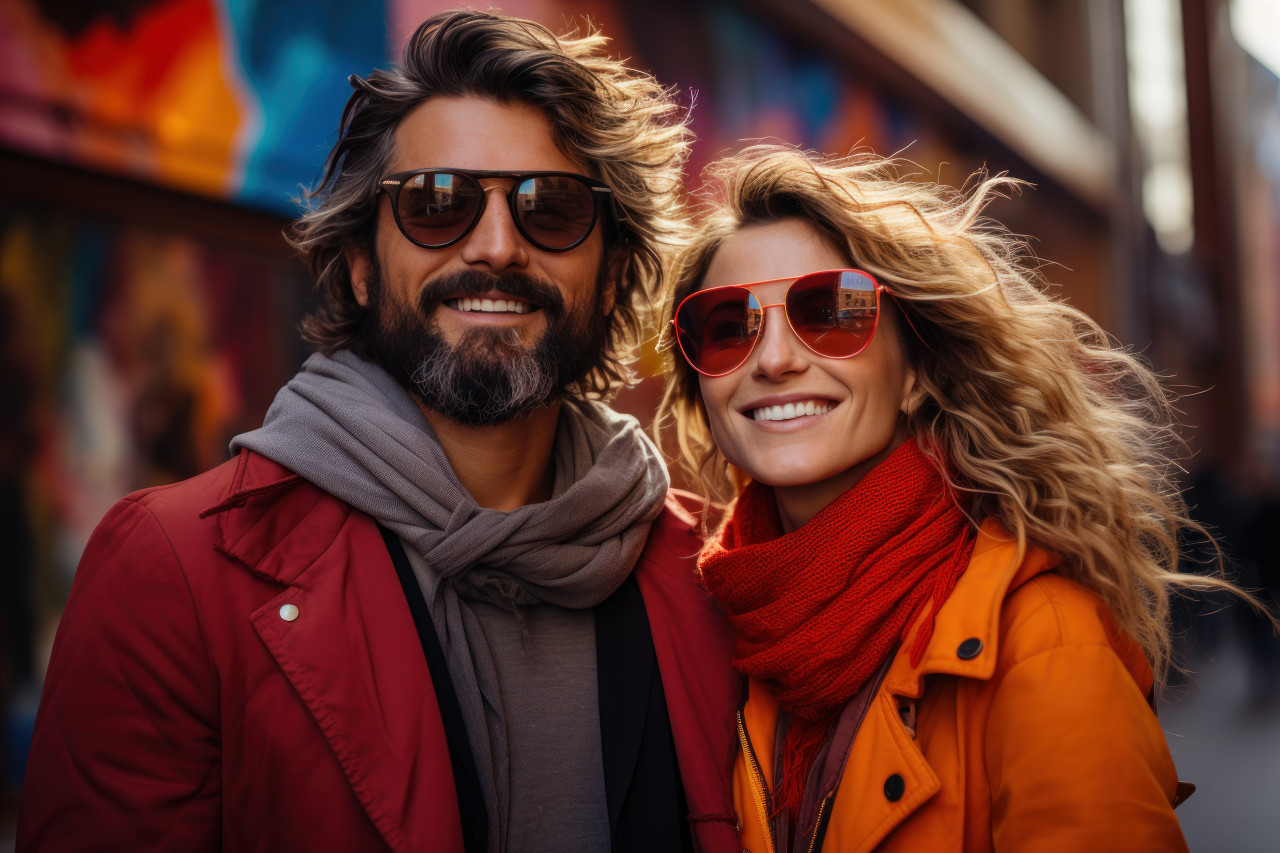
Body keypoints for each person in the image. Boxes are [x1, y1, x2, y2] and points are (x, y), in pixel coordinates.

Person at [18, 11, 741, 853]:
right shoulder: (173, 570)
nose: (498, 248)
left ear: (613, 271)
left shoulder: (713, 579)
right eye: (438, 204)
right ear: (361, 266)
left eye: (551, 207)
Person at [656, 145, 1257, 852]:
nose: (775, 358)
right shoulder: (722, 628)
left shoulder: (1042, 639)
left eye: (831, 311)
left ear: (914, 374)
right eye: (730, 325)